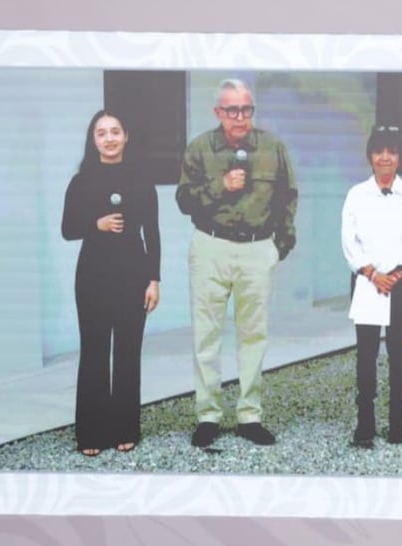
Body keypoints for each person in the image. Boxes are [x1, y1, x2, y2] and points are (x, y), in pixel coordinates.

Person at [176, 79, 298, 448]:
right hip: (211, 246)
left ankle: (249, 415)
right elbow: (184, 200)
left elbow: (287, 196)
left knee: (254, 335)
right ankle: (208, 415)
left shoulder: (272, 147)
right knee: (206, 335)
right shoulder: (200, 148)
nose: (240, 117)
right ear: (218, 113)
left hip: (256, 249)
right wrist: (221, 186)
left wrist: (280, 246)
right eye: (232, 110)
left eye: (246, 109)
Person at [61, 109, 160, 456]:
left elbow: (153, 234)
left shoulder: (141, 179)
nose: (109, 138)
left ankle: (125, 428)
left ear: (126, 136)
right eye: (101, 133)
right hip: (92, 276)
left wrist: (154, 280)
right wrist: (96, 224)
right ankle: (90, 433)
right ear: (93, 140)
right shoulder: (81, 181)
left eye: (115, 131)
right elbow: (67, 229)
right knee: (94, 352)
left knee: (128, 353)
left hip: (134, 275)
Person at [341, 125, 402, 448]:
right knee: (366, 352)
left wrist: (401, 271)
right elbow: (348, 239)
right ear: (370, 156)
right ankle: (365, 423)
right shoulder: (356, 194)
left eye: (391, 151)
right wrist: (370, 272)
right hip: (367, 281)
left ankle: (397, 423)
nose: (385, 158)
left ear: (399, 157)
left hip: (401, 281)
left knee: (398, 349)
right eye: (379, 151)